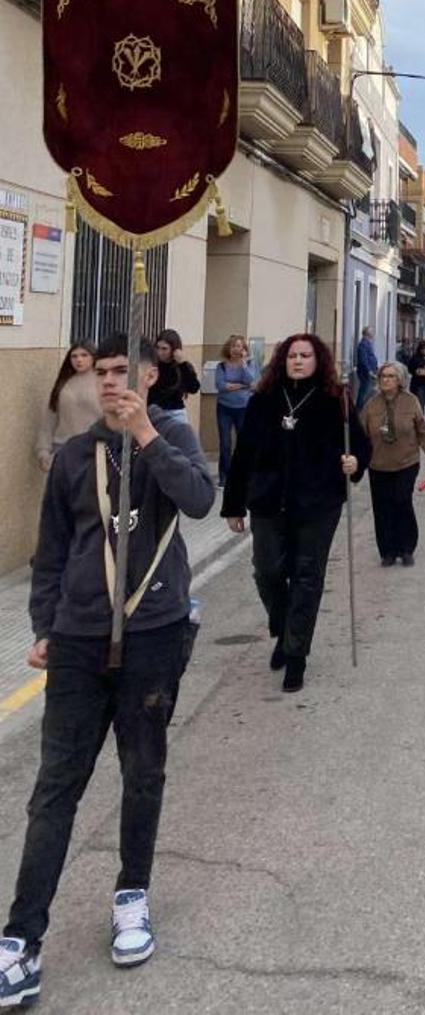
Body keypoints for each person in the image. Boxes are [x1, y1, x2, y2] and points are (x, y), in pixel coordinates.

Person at [0, 334, 213, 1006]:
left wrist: (146, 431)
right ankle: (21, 935)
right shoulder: (72, 456)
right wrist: (42, 626)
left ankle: (131, 893)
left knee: (142, 771)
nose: (113, 383)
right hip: (78, 638)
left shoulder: (170, 443)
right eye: (106, 372)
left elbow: (201, 500)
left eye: (127, 371)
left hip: (153, 632)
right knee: (55, 786)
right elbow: (51, 553)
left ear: (150, 375)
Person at [221, 333, 369, 693]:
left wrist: (355, 462)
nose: (298, 361)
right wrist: (233, 504)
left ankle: (296, 654)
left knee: (307, 576)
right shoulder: (264, 401)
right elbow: (243, 457)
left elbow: (361, 445)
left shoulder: (336, 401)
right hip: (269, 500)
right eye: (291, 356)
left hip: (319, 502)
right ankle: (285, 627)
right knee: (267, 571)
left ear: (318, 360)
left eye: (305, 355)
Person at [360, 363, 425, 567]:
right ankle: (387, 551)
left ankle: (406, 548)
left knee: (401, 501)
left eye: (390, 376)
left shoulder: (411, 402)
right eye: (382, 376)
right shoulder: (371, 404)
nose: (385, 380)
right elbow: (361, 435)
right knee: (382, 507)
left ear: (400, 380)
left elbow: (423, 432)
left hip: (406, 462)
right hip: (378, 464)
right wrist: (354, 461)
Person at [35, 341, 101, 472]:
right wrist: (43, 451)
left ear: (94, 357)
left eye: (84, 355)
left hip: (94, 448)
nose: (79, 360)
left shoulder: (103, 381)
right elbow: (50, 419)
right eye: (74, 356)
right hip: (62, 447)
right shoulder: (64, 383)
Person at [214, 334, 257, 489]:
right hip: (224, 407)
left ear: (244, 349)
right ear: (228, 348)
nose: (236, 349)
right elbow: (220, 385)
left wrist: (244, 365)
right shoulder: (222, 366)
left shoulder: (249, 364)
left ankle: (244, 476)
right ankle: (224, 477)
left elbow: (251, 381)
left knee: (244, 442)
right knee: (225, 443)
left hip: (243, 407)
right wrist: (241, 385)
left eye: (239, 346)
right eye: (233, 346)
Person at [146, 329, 199, 426]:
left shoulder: (181, 367)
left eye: (164, 349)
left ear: (174, 350)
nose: (159, 352)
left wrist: (183, 364)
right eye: (158, 348)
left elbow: (194, 388)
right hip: (154, 412)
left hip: (175, 413)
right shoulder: (152, 365)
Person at [355, 326, 379, 411]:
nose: (374, 334)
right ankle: (359, 409)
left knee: (366, 390)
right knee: (364, 391)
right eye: (372, 332)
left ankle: (362, 408)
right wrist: (369, 371)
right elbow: (363, 359)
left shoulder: (368, 343)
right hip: (365, 372)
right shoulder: (363, 344)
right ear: (368, 334)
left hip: (369, 371)